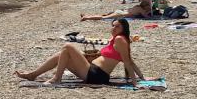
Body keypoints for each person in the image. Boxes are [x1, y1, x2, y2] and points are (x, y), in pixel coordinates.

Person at [16, 19, 144, 86]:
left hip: (97, 75)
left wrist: (135, 83)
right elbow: (131, 62)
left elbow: (127, 62)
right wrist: (142, 77)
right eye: (113, 25)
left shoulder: (120, 40)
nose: (113, 28)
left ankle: (57, 78)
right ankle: (34, 74)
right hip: (92, 72)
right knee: (62, 55)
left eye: (117, 26)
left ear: (124, 29)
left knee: (67, 46)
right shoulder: (116, 40)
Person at [80, 0, 151, 21]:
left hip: (120, 11)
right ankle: (86, 18)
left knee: (103, 15)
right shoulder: (141, 10)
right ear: (146, 5)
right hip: (120, 14)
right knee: (103, 18)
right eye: (149, 5)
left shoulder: (137, 6)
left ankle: (87, 15)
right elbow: (147, 17)